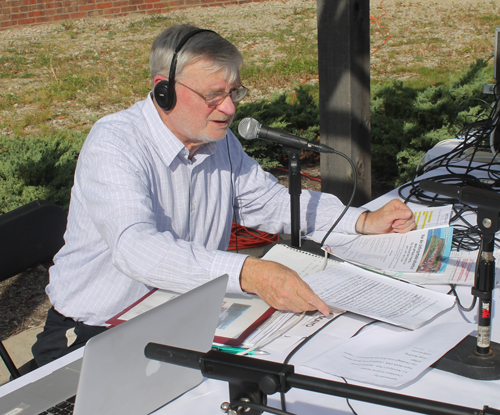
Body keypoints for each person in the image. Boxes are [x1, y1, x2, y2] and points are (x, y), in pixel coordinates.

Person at [32, 24, 415, 366]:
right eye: (214, 96)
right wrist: (249, 272)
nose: (229, 108)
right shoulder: (114, 143)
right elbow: (137, 248)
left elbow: (270, 202)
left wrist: (361, 221)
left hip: (179, 315)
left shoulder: (219, 141)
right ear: (163, 90)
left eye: (234, 92)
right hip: (95, 331)